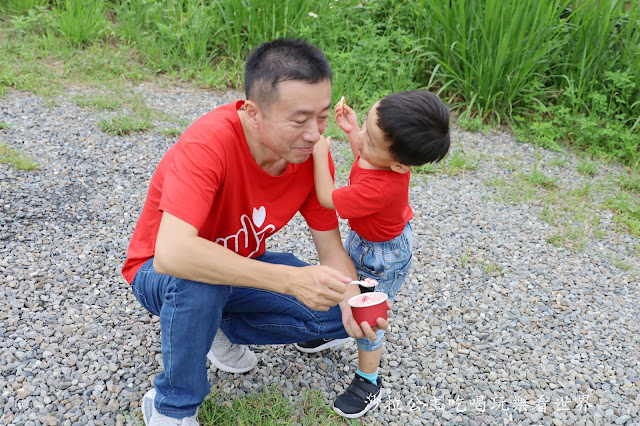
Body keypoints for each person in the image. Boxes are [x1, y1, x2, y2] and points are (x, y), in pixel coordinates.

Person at [121, 39, 387, 425]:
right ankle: (171, 408)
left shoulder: (312, 155)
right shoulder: (208, 144)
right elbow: (172, 254)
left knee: (334, 320)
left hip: (241, 264)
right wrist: (290, 280)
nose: (314, 134)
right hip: (158, 273)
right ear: (251, 113)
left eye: (323, 118)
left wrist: (353, 300)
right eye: (299, 120)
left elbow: (331, 251)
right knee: (198, 282)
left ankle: (208, 327)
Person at [305, 90, 450, 418]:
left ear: (399, 163)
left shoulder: (380, 188)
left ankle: (368, 381)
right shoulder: (388, 161)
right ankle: (336, 330)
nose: (360, 139)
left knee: (369, 316)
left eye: (368, 138)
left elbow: (327, 196)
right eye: (366, 126)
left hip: (383, 256)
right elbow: (366, 158)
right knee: (344, 284)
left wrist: (319, 153)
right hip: (368, 239)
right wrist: (353, 129)